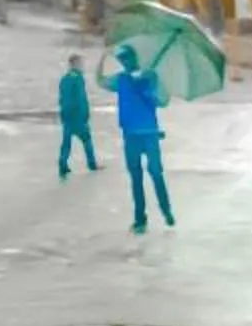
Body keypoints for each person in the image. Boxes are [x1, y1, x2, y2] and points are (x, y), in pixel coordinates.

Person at [105, 43, 174, 232]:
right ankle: (140, 218)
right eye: (121, 59)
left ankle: (166, 211)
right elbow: (102, 82)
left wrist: (147, 87)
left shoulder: (150, 77)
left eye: (125, 58)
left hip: (149, 134)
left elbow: (163, 101)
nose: (124, 62)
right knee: (137, 178)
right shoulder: (121, 79)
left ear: (133, 59)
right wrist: (103, 58)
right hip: (131, 135)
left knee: (155, 174)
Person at [58, 53, 98, 178]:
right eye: (81, 63)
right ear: (75, 64)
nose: (82, 66)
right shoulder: (78, 78)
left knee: (66, 142)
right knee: (87, 139)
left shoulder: (64, 78)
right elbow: (81, 98)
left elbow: (61, 99)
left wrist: (63, 113)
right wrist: (85, 114)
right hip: (77, 116)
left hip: (66, 115)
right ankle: (92, 164)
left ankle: (62, 164)